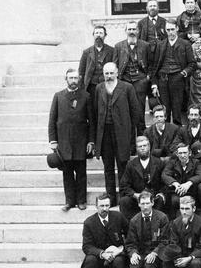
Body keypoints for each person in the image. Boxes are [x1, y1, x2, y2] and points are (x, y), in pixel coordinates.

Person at [94, 62, 142, 206]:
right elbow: (96, 112)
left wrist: (131, 133)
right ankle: (110, 197)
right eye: (106, 73)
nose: (109, 76)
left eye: (111, 73)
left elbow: (135, 112)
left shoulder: (127, 87)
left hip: (121, 133)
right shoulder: (99, 88)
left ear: (117, 73)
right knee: (108, 167)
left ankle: (122, 197)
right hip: (105, 133)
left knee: (122, 166)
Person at [49, 68, 95, 211]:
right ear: (66, 79)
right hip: (64, 142)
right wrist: (53, 140)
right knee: (67, 173)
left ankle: (81, 201)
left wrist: (91, 141)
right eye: (71, 78)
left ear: (79, 79)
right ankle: (70, 201)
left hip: (81, 141)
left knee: (81, 173)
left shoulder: (86, 96)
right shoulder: (58, 96)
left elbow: (92, 121)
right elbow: (52, 119)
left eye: (76, 78)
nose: (73, 81)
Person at [80, 193, 128, 268]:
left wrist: (121, 249)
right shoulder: (89, 222)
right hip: (99, 257)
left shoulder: (118, 217)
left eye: (107, 205)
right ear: (96, 206)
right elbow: (86, 246)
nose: (105, 209)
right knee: (89, 260)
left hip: (116, 254)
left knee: (120, 261)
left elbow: (131, 236)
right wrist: (101, 253)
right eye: (101, 206)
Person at [125, 191, 169, 268]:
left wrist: (155, 252)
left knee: (150, 263)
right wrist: (133, 253)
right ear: (138, 204)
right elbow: (130, 243)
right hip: (141, 253)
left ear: (153, 203)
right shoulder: (134, 221)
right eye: (142, 203)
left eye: (147, 203)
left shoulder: (162, 218)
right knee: (135, 263)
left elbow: (166, 241)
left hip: (157, 253)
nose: (145, 206)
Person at [151, 19, 196, 126]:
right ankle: (165, 132)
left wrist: (182, 73)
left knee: (177, 110)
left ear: (177, 29)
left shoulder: (185, 44)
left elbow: (192, 64)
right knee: (165, 109)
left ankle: (178, 134)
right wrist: (154, 84)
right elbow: (154, 67)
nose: (170, 32)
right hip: (163, 80)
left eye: (172, 29)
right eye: (168, 30)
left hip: (178, 80)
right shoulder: (161, 45)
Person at [113, 21, 150, 133]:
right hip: (125, 80)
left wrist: (147, 78)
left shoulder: (145, 45)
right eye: (129, 29)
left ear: (138, 31)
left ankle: (141, 135)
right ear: (125, 31)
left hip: (140, 80)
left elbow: (150, 63)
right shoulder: (118, 46)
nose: (132, 32)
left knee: (139, 109)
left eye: (134, 29)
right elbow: (115, 64)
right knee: (125, 109)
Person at [119, 136, 166, 220]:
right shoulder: (131, 164)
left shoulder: (159, 163)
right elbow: (124, 185)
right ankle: (130, 228)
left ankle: (156, 226)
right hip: (137, 198)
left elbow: (165, 182)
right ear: (136, 149)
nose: (143, 148)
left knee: (161, 200)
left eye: (145, 146)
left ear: (149, 147)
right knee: (124, 201)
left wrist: (161, 193)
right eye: (140, 146)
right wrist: (134, 195)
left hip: (154, 197)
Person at [161, 143, 201, 219]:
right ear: (177, 154)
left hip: (191, 192)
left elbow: (200, 175)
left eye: (185, 153)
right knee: (174, 201)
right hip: (176, 192)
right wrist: (175, 183)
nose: (183, 155)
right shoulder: (172, 162)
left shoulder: (196, 162)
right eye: (180, 153)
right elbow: (165, 175)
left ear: (189, 153)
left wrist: (188, 183)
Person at [78, 26, 114, 104]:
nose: (98, 35)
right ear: (93, 35)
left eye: (101, 33)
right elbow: (81, 71)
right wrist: (81, 88)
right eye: (96, 33)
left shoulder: (111, 51)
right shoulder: (87, 52)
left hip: (106, 84)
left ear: (105, 35)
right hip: (91, 86)